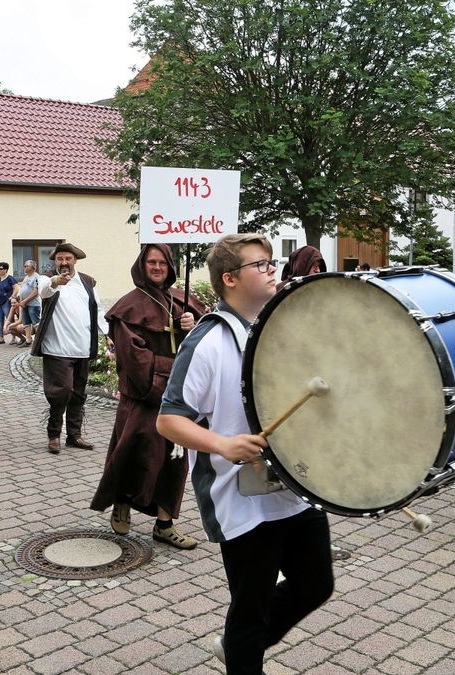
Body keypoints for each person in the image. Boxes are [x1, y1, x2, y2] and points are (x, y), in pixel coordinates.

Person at [156, 233, 333, 672]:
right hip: (239, 495)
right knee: (250, 608)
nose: (273, 269)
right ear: (230, 279)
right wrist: (223, 443)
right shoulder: (208, 342)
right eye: (262, 264)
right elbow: (168, 419)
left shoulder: (279, 328)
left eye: (273, 262)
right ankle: (242, 648)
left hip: (293, 483)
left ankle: (236, 642)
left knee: (316, 584)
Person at [91, 244, 206, 549]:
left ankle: (165, 524)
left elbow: (200, 345)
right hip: (143, 397)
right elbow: (135, 359)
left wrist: (189, 327)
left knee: (174, 461)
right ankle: (122, 503)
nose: (157, 267)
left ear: (170, 266)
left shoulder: (182, 302)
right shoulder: (128, 307)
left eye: (162, 263)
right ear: (142, 265)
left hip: (175, 399)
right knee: (134, 455)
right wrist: (171, 378)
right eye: (151, 262)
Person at [33, 242, 108, 453]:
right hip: (56, 348)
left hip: (82, 347)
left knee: (77, 393)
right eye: (60, 259)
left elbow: (98, 310)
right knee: (61, 392)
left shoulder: (87, 282)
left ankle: (74, 435)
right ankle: (54, 435)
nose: (64, 262)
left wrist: (108, 334)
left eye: (68, 258)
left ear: (75, 260)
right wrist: (57, 281)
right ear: (55, 261)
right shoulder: (47, 278)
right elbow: (45, 291)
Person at [13, 259, 42, 347]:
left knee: (36, 323)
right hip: (24, 304)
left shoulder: (37, 277)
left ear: (32, 267)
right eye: (24, 266)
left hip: (33, 305)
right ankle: (28, 340)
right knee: (26, 324)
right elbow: (22, 290)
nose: (24, 267)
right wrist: (19, 300)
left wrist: (24, 301)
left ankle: (39, 341)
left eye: (26, 266)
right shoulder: (26, 277)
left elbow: (36, 292)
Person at [0, 262, 17, 342]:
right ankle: (1, 338)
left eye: (1, 269)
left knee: (10, 319)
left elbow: (16, 288)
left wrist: (12, 297)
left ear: (6, 270)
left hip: (6, 302)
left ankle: (14, 338)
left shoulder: (10, 278)